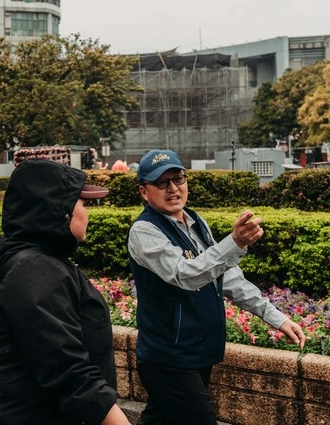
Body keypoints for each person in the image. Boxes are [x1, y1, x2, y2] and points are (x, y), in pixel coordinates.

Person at [128, 149, 306, 425]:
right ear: (144, 191)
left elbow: (227, 277)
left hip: (197, 353)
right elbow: (186, 275)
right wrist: (234, 243)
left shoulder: (195, 221)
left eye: (178, 179)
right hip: (169, 359)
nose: (173, 188)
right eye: (162, 182)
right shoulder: (144, 231)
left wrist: (276, 318)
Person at [0, 159, 130, 425]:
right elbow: (68, 371)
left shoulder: (19, 254)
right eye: (83, 204)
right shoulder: (34, 270)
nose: (87, 214)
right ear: (59, 209)